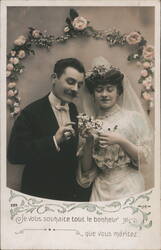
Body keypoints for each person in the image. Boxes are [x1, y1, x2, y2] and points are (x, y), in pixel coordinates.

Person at [8, 57, 91, 201]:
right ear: (54, 78)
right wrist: (54, 140)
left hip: (69, 194)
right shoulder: (31, 112)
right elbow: (15, 154)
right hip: (40, 194)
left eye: (79, 84)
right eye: (71, 82)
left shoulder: (73, 109)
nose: (75, 89)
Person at [77, 57, 153, 201]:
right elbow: (86, 170)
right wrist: (88, 141)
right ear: (93, 94)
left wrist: (120, 140)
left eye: (110, 89)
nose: (104, 94)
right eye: (99, 90)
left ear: (118, 92)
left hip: (129, 185)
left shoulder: (133, 118)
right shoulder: (90, 124)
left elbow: (144, 158)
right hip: (101, 188)